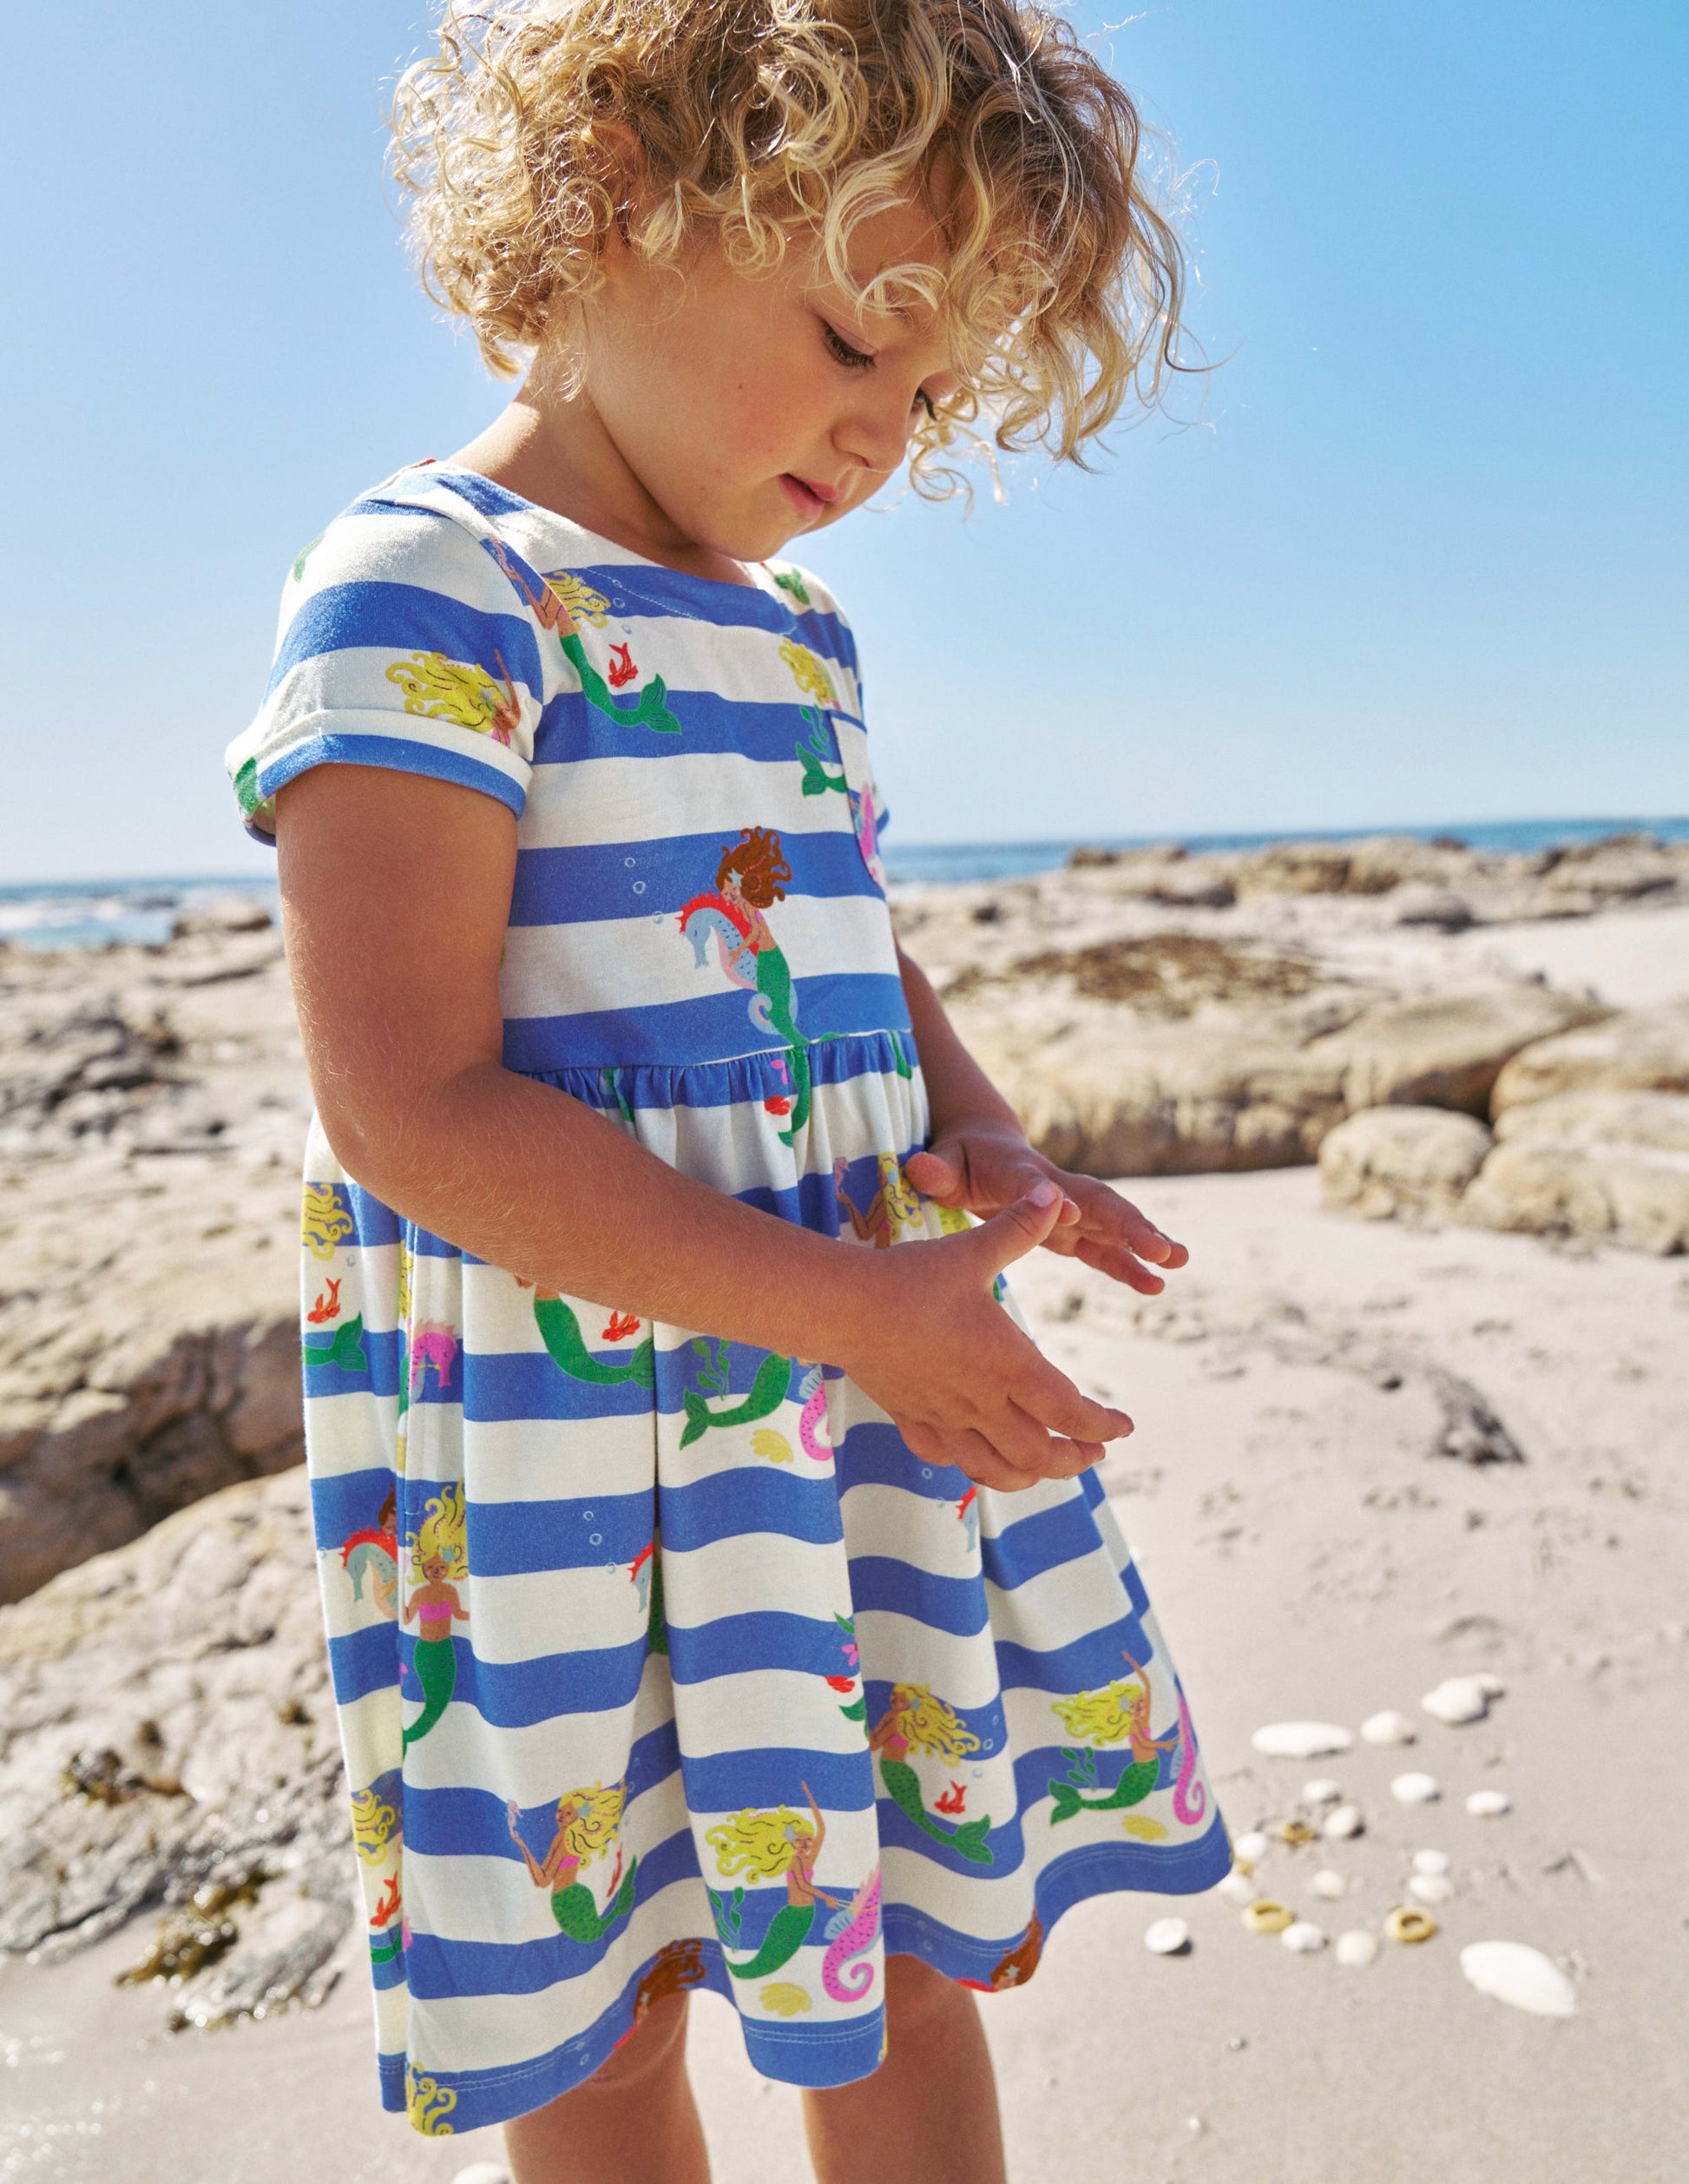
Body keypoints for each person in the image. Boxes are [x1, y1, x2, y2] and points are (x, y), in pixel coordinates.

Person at [225, 3, 1230, 2175]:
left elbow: (857, 937)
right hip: (567, 1445)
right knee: (606, 2012)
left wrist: (979, 1131)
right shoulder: (426, 589)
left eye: (933, 388)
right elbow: (407, 1103)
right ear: (618, 191)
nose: (883, 431)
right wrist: (853, 1307)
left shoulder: (799, 642)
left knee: (898, 1955)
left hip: (836, 1430)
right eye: (853, 338)